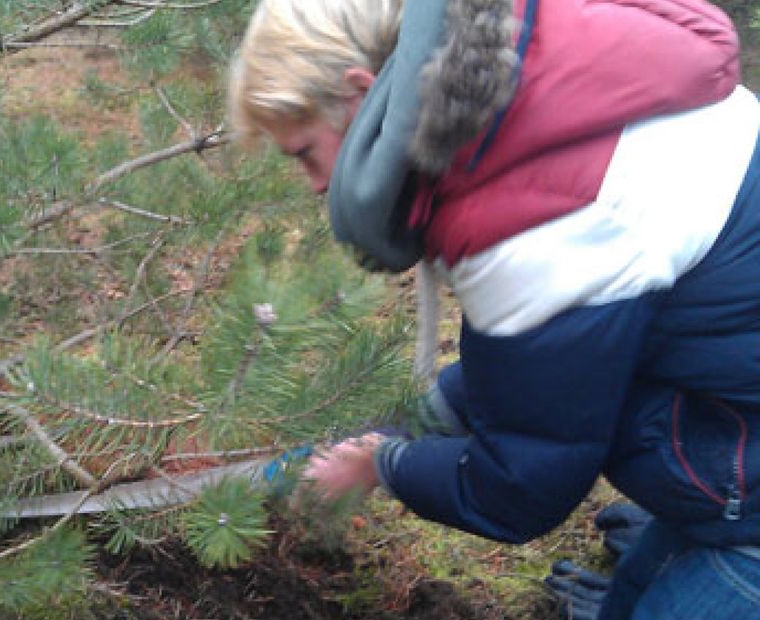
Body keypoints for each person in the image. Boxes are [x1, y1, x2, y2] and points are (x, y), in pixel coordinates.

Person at [228, 0, 760, 618]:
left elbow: (520, 486)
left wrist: (384, 463)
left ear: (360, 95)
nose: (317, 186)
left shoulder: (543, 215)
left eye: (303, 154)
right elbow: (553, 364)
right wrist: (413, 421)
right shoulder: (539, 85)